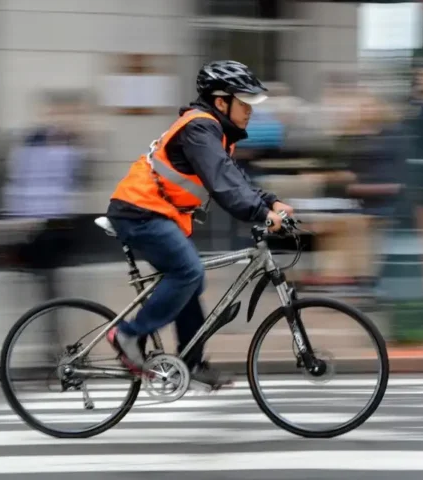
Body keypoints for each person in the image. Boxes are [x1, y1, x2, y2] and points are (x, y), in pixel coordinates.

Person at [105, 60, 294, 388]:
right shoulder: (199, 127)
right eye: (245, 102)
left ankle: (190, 363)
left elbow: (235, 179)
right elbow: (223, 185)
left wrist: (270, 200)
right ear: (221, 101)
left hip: (155, 214)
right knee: (189, 271)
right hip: (139, 212)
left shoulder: (215, 133)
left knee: (191, 280)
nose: (251, 110)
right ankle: (128, 336)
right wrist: (262, 214)